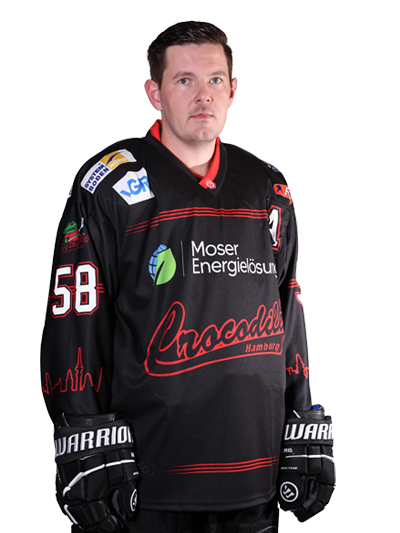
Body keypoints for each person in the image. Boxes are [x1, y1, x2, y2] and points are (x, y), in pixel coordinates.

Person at [41, 21, 334, 533]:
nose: (204, 95)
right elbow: (75, 320)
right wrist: (81, 431)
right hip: (146, 480)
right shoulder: (108, 183)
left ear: (234, 89)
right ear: (154, 93)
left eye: (216, 80)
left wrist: (302, 416)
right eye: (184, 80)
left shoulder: (269, 188)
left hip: (256, 475)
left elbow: (288, 314)